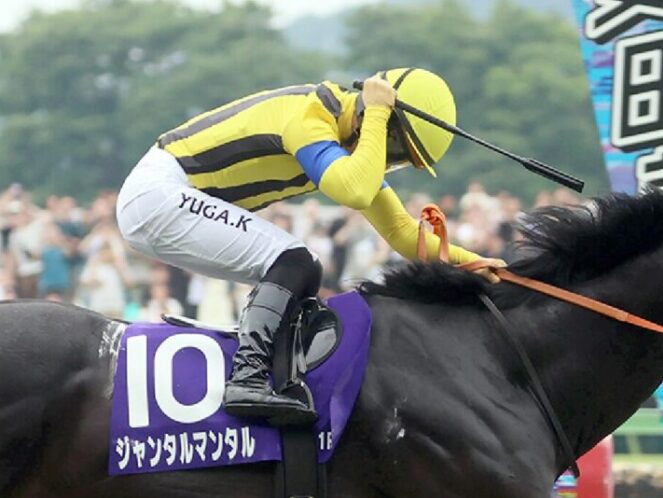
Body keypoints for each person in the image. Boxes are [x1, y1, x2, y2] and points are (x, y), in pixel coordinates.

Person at [116, 67, 505, 427]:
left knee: (297, 268)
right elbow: (352, 190)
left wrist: (478, 264)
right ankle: (247, 380)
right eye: (396, 150)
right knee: (297, 262)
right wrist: (377, 116)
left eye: (400, 162)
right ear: (376, 118)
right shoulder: (311, 116)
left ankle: (270, 376)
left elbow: (404, 233)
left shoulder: (342, 147)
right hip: (159, 193)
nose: (387, 163)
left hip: (165, 199)